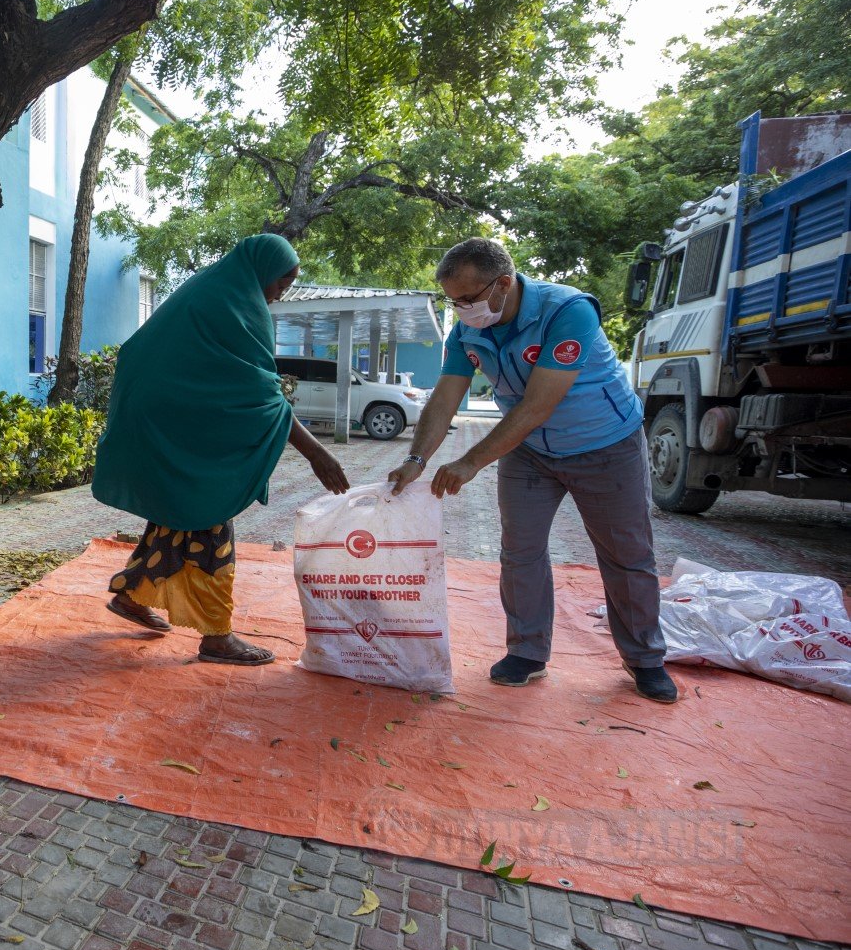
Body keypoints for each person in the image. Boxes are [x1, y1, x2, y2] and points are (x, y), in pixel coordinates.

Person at [389, 237, 677, 703]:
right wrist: (414, 461)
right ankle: (526, 652)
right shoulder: (466, 331)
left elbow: (538, 405)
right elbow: (445, 399)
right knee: (519, 552)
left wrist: (470, 462)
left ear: (503, 284)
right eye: (452, 301)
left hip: (605, 444)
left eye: (468, 299)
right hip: (530, 453)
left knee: (627, 555)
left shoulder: (567, 312)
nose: (461, 310)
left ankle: (645, 659)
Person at [93, 233, 350, 665]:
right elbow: (259, 392)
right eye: (280, 283)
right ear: (261, 271)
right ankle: (217, 637)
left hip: (173, 421)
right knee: (211, 524)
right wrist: (315, 452)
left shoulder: (213, 290)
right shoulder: (231, 304)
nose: (278, 293)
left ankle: (132, 593)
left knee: (181, 514)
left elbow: (244, 384)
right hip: (182, 425)